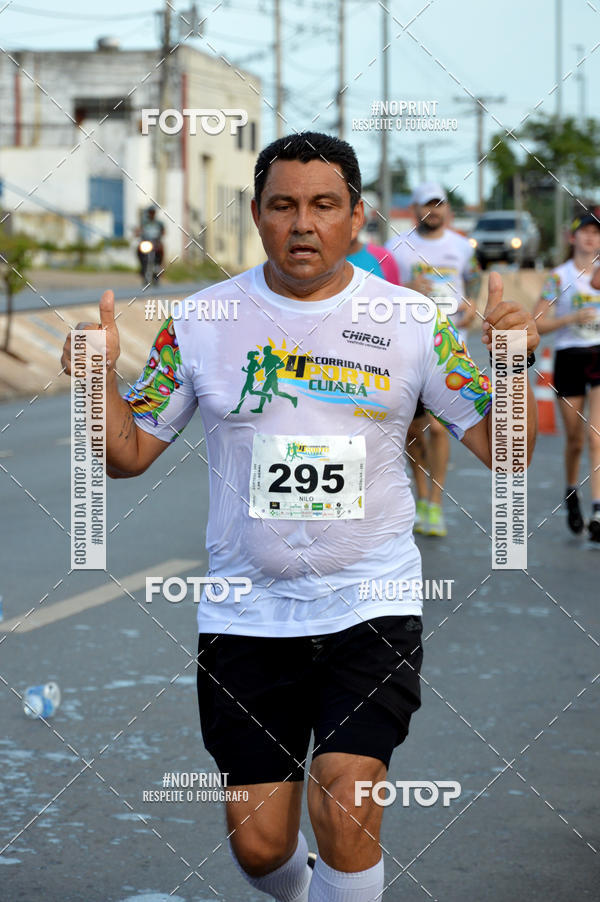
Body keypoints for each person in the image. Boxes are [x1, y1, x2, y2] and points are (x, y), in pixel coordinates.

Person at [61, 132, 538, 902]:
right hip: (245, 615)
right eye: (283, 205)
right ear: (256, 215)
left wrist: (514, 361)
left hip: (371, 603)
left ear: (357, 217)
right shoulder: (203, 318)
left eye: (323, 205)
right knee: (259, 846)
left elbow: (506, 452)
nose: (303, 224)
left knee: (346, 804)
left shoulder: (412, 320)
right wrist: (92, 381)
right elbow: (127, 454)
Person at [384, 183, 482, 537]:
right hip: (409, 346)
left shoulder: (460, 246)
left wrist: (471, 305)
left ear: (447, 209)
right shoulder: (397, 248)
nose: (434, 211)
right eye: (427, 205)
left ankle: (436, 503)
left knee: (441, 427)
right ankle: (421, 496)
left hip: (450, 348)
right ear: (415, 209)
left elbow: (474, 279)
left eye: (439, 204)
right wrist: (408, 289)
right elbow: (387, 291)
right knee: (413, 430)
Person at [534, 213, 600, 542]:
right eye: (585, 232)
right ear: (572, 238)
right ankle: (572, 492)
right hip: (569, 356)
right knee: (574, 439)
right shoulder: (559, 277)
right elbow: (537, 323)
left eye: (596, 233)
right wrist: (571, 317)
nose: (591, 238)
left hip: (598, 353)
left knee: (596, 437)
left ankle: (599, 509)